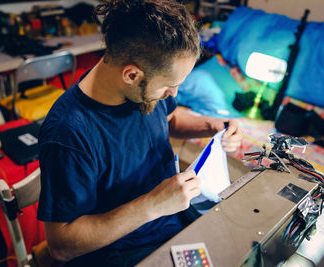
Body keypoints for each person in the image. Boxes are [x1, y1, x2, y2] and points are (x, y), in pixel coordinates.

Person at [37, 0, 242, 266]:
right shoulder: (69, 133)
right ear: (132, 75)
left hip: (173, 222)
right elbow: (61, 246)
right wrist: (154, 205)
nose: (174, 94)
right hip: (124, 252)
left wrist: (209, 124)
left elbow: (169, 118)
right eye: (169, 86)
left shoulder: (141, 92)